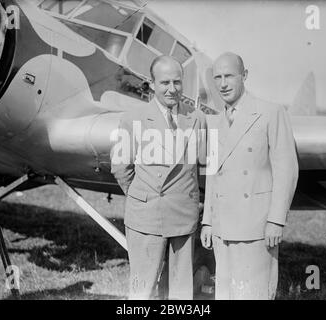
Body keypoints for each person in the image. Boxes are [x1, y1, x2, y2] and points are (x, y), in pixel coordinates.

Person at [200, 52, 298, 300]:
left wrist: (276, 220)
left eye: (229, 76)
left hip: (256, 226)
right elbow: (213, 174)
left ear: (244, 76)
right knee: (225, 294)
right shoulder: (216, 121)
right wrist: (208, 221)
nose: (223, 84)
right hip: (223, 228)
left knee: (254, 294)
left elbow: (286, 169)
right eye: (218, 77)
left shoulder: (271, 112)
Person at [111, 55, 207, 299]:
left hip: (183, 214)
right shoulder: (132, 119)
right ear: (152, 84)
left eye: (177, 82)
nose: (172, 89)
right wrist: (142, 196)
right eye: (164, 83)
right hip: (145, 214)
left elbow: (208, 166)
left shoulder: (197, 118)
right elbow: (120, 167)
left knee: (180, 288)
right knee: (141, 287)